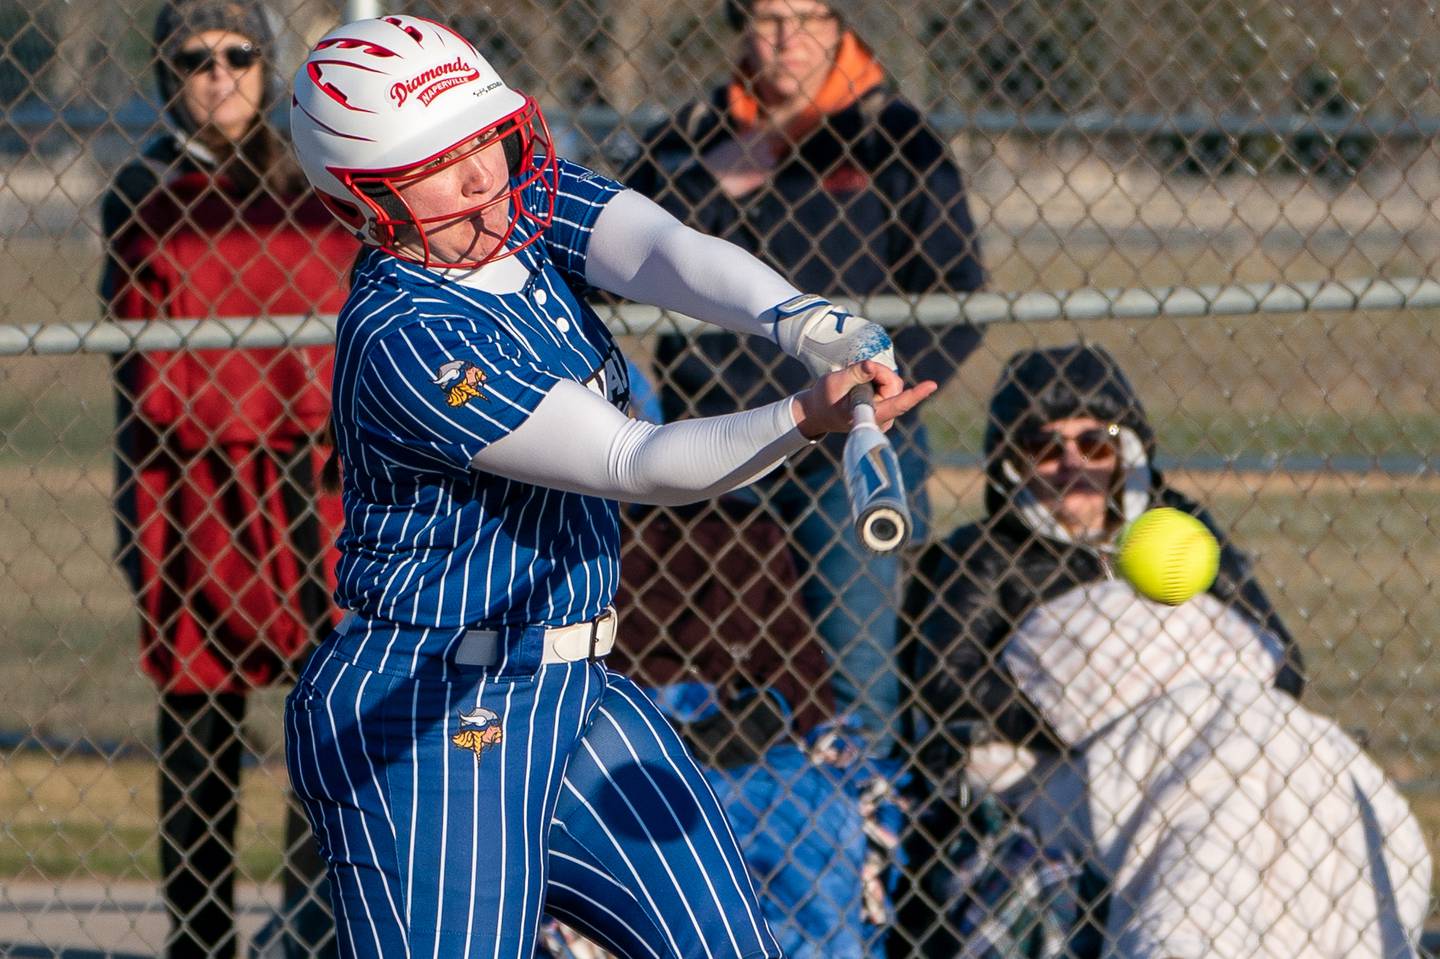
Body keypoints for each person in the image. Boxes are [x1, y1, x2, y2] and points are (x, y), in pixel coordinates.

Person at [284, 14, 936, 959]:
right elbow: (632, 461)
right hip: (431, 713)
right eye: (435, 166)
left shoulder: (510, 213)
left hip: (575, 689)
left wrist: (801, 318)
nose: (478, 178)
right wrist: (804, 418)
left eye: (484, 142)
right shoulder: (405, 331)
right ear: (362, 201)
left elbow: (661, 250)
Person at [895, 344, 1431, 958]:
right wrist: (1079, 711)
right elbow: (945, 676)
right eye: (1045, 449)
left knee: (1282, 752)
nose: (1073, 464)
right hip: (1067, 767)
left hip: (1221, 733)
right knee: (1222, 781)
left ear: (1125, 454)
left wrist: (1185, 701)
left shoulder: (1179, 524)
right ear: (1012, 464)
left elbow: (1276, 659)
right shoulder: (986, 553)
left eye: (1094, 443)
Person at [622, 0, 986, 751]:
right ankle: (734, 835)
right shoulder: (693, 138)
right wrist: (721, 179)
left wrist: (876, 389)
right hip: (718, 438)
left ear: (842, 22)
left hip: (850, 444)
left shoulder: (893, 135)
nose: (787, 38)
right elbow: (619, 261)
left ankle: (868, 829)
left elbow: (956, 291)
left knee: (858, 669)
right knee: (711, 665)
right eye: (767, 16)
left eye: (810, 15)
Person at [101, 2, 356, 955]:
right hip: (191, 486)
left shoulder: (314, 179)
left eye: (239, 56)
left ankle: (318, 922)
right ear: (169, 74)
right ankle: (200, 938)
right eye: (194, 59)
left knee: (331, 716)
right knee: (198, 721)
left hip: (314, 479)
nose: (218, 76)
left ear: (269, 64)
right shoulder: (143, 186)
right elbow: (143, 360)